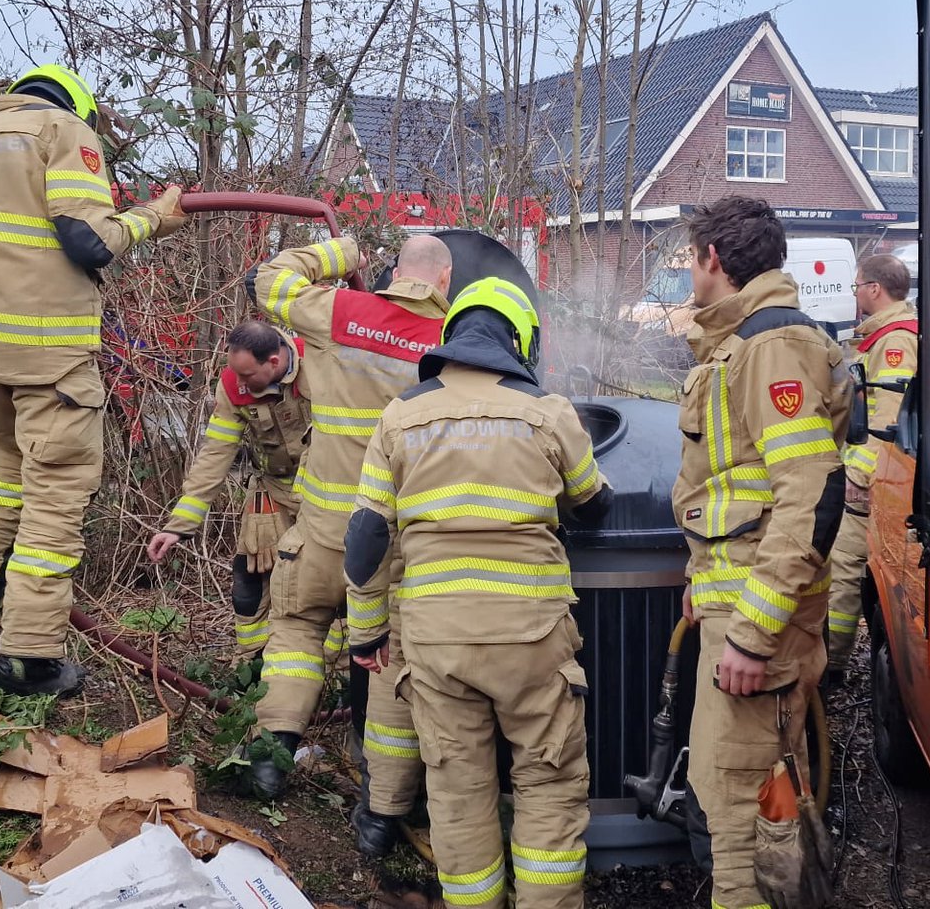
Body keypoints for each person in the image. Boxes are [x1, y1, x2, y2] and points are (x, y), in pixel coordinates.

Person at [344, 277, 612, 908]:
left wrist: (367, 632)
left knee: (457, 792)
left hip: (436, 642)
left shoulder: (401, 416)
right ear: (521, 339)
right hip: (533, 639)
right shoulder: (547, 412)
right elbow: (593, 503)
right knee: (547, 782)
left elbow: (365, 537)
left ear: (451, 335)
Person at [0, 63, 186, 697]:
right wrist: (153, 216)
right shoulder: (63, 132)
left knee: (9, 463)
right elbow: (88, 243)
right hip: (51, 353)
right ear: (77, 105)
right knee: (56, 499)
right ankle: (30, 659)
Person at [246, 232, 453, 859]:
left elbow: (270, 281)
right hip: (393, 548)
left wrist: (342, 252)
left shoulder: (342, 313)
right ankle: (379, 816)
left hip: (321, 530)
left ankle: (269, 760)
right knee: (387, 668)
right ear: (443, 282)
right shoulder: (453, 339)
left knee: (297, 635)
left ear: (395, 271)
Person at [673, 194, 848, 909]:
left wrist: (751, 632)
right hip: (735, 600)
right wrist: (700, 580)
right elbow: (730, 484)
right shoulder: (740, 343)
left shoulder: (770, 347)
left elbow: (810, 494)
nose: (689, 273)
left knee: (745, 811)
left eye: (689, 259)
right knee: (728, 791)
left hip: (756, 623)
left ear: (713, 259)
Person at [147, 320, 312, 658]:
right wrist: (179, 525)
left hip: (325, 494)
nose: (240, 384)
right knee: (248, 582)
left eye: (248, 376)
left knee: (316, 585)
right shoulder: (232, 386)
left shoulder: (321, 363)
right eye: (236, 373)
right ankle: (250, 663)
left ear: (275, 363)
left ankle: (327, 675)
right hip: (272, 493)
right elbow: (215, 454)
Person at [826, 254, 919, 683]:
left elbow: (887, 416)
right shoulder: (889, 336)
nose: (856, 293)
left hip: (874, 486)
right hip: (889, 484)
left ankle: (833, 668)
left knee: (843, 570)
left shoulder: (895, 342)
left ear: (875, 290)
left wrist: (860, 476)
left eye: (857, 286)